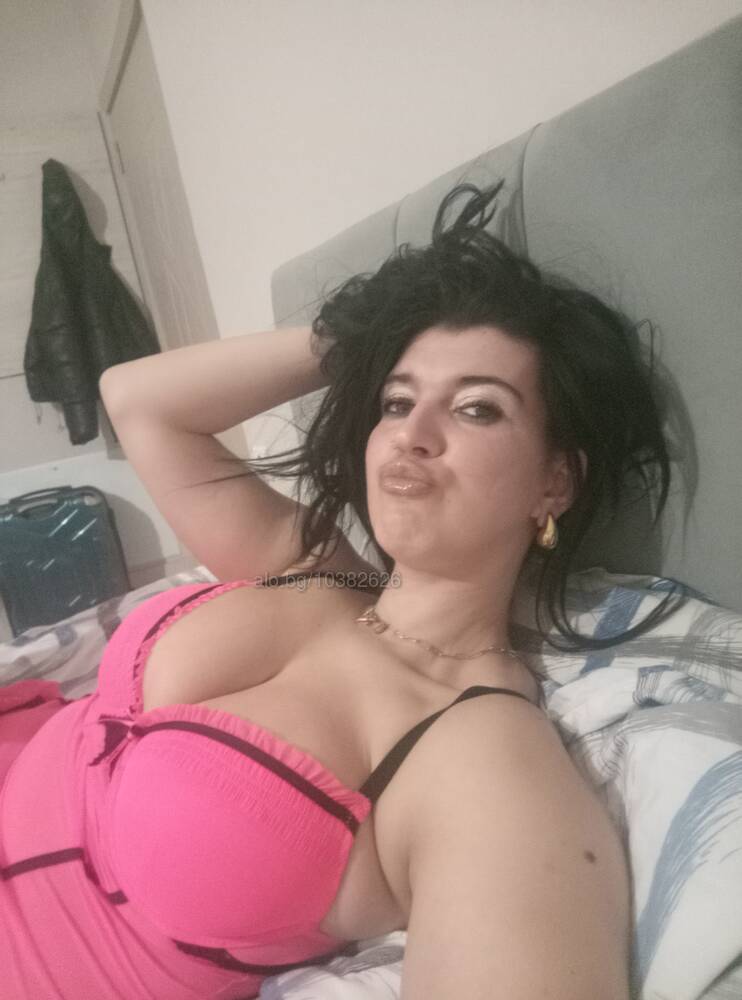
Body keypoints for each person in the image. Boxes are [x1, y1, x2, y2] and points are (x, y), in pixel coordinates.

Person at [0, 183, 681, 999]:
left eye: (477, 409)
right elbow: (136, 399)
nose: (411, 434)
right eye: (397, 400)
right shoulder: (320, 566)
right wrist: (362, 336)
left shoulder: (481, 748)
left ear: (554, 483)